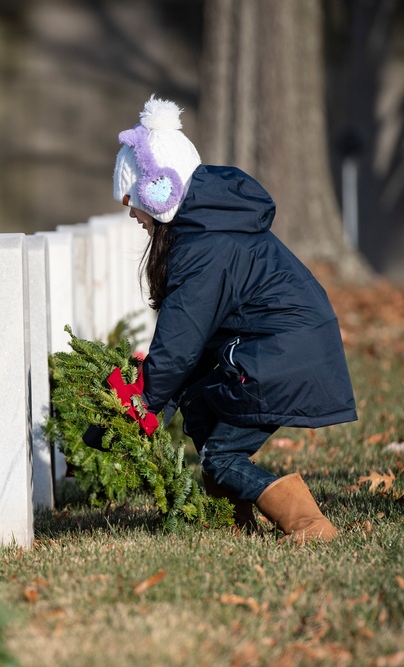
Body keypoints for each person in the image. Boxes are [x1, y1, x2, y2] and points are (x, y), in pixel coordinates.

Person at [111, 96, 357, 543]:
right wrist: (156, 399)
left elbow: (182, 344)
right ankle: (231, 520)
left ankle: (309, 524)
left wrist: (138, 405)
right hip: (280, 346)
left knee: (221, 457)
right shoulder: (208, 233)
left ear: (159, 191)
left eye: (132, 199)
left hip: (283, 352)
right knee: (201, 402)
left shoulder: (203, 248)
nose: (131, 212)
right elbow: (194, 350)